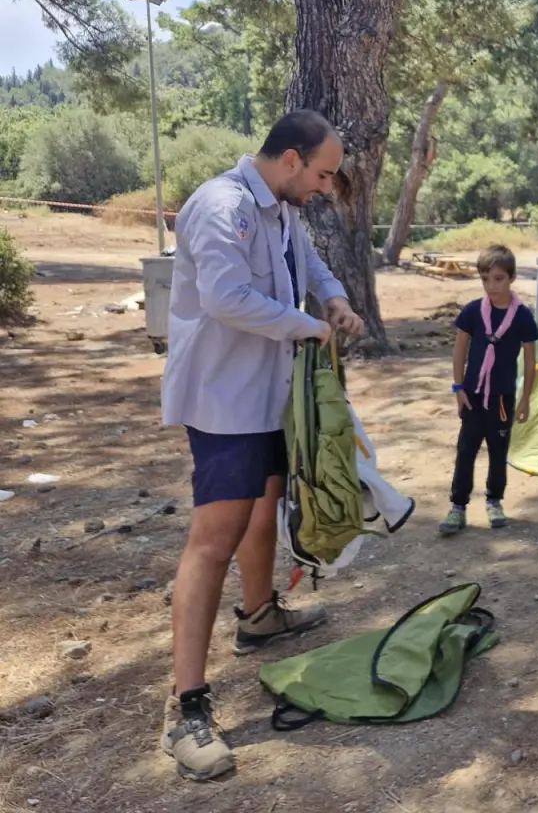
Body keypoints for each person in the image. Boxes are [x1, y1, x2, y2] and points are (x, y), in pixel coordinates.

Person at [159, 110, 366, 781]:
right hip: (225, 401)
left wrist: (334, 300)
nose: (326, 188)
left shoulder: (281, 210)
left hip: (271, 393)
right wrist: (306, 327)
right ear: (291, 160)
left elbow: (310, 265)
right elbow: (226, 297)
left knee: (267, 504)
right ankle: (186, 710)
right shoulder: (222, 207)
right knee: (213, 540)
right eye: (323, 175)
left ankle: (258, 616)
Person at [440, 245, 538, 535]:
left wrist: (525, 400)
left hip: (502, 399)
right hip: (473, 396)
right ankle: (458, 506)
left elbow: (530, 362)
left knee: (498, 453)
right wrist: (458, 387)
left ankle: (494, 501)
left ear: (512, 278)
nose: (491, 286)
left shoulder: (522, 316)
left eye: (498, 279)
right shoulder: (473, 311)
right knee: (466, 450)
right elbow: (460, 351)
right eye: (485, 279)